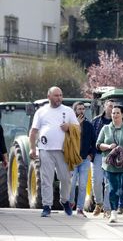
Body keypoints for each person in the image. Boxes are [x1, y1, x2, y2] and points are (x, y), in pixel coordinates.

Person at [29, 86, 80, 217]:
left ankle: (65, 201)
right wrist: (32, 148)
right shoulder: (41, 112)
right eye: (56, 95)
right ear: (49, 96)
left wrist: (69, 127)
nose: (59, 98)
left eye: (61, 95)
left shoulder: (68, 111)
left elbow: (78, 128)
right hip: (45, 149)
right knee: (46, 179)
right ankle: (47, 206)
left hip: (64, 150)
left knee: (65, 178)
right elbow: (33, 131)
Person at [96, 105, 123, 223]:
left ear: (122, 115)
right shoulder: (106, 128)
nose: (115, 115)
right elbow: (98, 144)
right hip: (111, 165)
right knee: (113, 189)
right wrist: (108, 146)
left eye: (117, 113)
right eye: (113, 113)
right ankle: (113, 213)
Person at [69, 101, 96, 217]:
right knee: (71, 183)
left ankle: (80, 208)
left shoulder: (89, 125)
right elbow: (67, 139)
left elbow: (94, 142)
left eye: (83, 109)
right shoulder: (69, 124)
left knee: (83, 184)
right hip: (72, 159)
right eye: (79, 109)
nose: (81, 111)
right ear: (74, 110)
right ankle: (70, 203)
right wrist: (77, 126)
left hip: (84, 159)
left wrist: (91, 155)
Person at [91, 99, 114, 218]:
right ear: (104, 107)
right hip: (98, 155)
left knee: (109, 182)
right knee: (96, 180)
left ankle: (107, 208)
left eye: (113, 107)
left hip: (111, 156)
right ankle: (98, 203)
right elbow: (91, 139)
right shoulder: (96, 121)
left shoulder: (118, 122)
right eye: (109, 106)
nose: (111, 109)